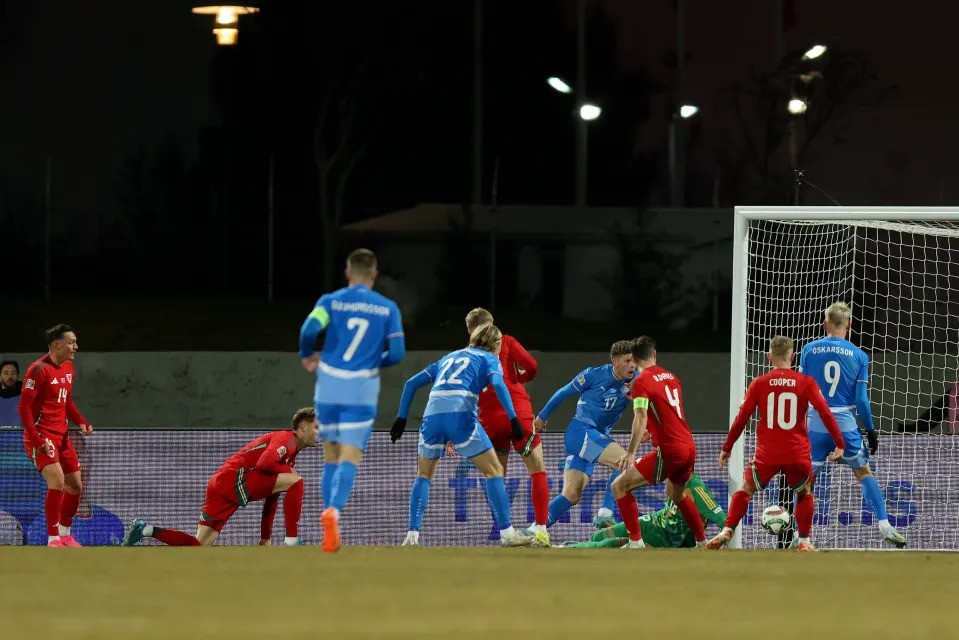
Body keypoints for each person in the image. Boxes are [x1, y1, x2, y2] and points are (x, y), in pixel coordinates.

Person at [298, 248, 405, 553]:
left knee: (330, 456)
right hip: (361, 388)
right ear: (374, 275)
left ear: (347, 273)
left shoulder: (330, 301)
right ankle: (334, 511)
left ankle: (327, 520)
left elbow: (309, 330)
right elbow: (396, 354)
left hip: (329, 385)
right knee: (350, 457)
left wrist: (308, 355)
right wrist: (371, 362)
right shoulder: (388, 308)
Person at [390, 324, 534, 547]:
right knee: (494, 470)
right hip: (459, 415)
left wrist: (401, 418)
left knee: (424, 475)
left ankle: (412, 536)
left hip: (432, 416)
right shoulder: (489, 359)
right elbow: (498, 383)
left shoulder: (449, 357)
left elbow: (411, 383)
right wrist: (513, 418)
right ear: (496, 344)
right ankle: (507, 533)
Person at [708, 336, 845, 551]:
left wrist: (727, 447)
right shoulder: (806, 382)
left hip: (767, 453)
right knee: (804, 492)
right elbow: (825, 412)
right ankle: (804, 542)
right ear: (792, 356)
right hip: (796, 452)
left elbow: (741, 418)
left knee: (745, 490)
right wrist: (839, 442)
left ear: (769, 356)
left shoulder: (760, 383)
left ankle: (727, 529)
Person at [122, 407, 319, 547]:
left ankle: (145, 529)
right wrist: (289, 473)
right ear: (302, 427)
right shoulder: (287, 440)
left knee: (199, 544)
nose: (321, 432)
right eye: (317, 427)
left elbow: (272, 497)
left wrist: (265, 538)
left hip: (220, 484)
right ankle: (292, 540)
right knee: (297, 480)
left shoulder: (290, 457)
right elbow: (263, 464)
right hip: (234, 479)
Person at [800, 302, 907, 547]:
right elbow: (861, 400)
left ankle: (801, 536)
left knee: (806, 480)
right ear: (849, 324)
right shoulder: (859, 355)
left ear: (825, 324)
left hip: (816, 423)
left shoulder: (808, 349)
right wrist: (870, 430)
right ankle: (885, 526)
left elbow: (803, 390)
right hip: (845, 424)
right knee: (864, 473)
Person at [610, 336, 707, 549]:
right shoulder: (672, 377)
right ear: (654, 354)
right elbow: (667, 415)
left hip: (670, 450)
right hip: (689, 446)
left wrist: (630, 452)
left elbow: (641, 415)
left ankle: (636, 543)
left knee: (619, 486)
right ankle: (702, 542)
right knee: (677, 493)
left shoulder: (641, 381)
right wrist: (651, 434)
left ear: (634, 360)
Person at [463, 307, 550, 544]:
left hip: (489, 420)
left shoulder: (465, 355)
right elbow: (531, 366)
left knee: (496, 476)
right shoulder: (507, 341)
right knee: (537, 470)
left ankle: (506, 531)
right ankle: (541, 529)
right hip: (517, 413)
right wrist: (518, 379)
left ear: (470, 330)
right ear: (492, 324)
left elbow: (465, 392)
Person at [534, 340, 636, 528]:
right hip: (581, 432)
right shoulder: (593, 375)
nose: (633, 365)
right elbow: (563, 392)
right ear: (615, 362)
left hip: (594, 439)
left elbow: (649, 405)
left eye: (634, 360)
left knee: (571, 494)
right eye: (628, 360)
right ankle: (605, 513)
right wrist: (541, 417)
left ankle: (535, 530)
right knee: (625, 462)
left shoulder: (636, 380)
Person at [17, 324, 93, 547]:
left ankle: (65, 533)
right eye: (71, 342)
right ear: (57, 345)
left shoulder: (69, 368)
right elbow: (24, 408)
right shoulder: (38, 370)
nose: (75, 347)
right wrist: (37, 441)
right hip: (41, 437)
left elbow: (66, 401)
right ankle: (53, 540)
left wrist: (81, 420)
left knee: (76, 486)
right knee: (57, 482)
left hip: (62, 437)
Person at [558, 474, 726, 548]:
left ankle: (564, 550)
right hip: (651, 521)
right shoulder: (672, 477)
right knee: (599, 536)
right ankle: (575, 548)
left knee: (608, 544)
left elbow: (725, 522)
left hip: (665, 540)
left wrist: (716, 541)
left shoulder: (698, 491)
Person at [0, 360, 22, 427]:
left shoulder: (26, 396)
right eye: (6, 373)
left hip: (19, 436)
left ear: (17, 375)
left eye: (13, 373)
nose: (10, 377)